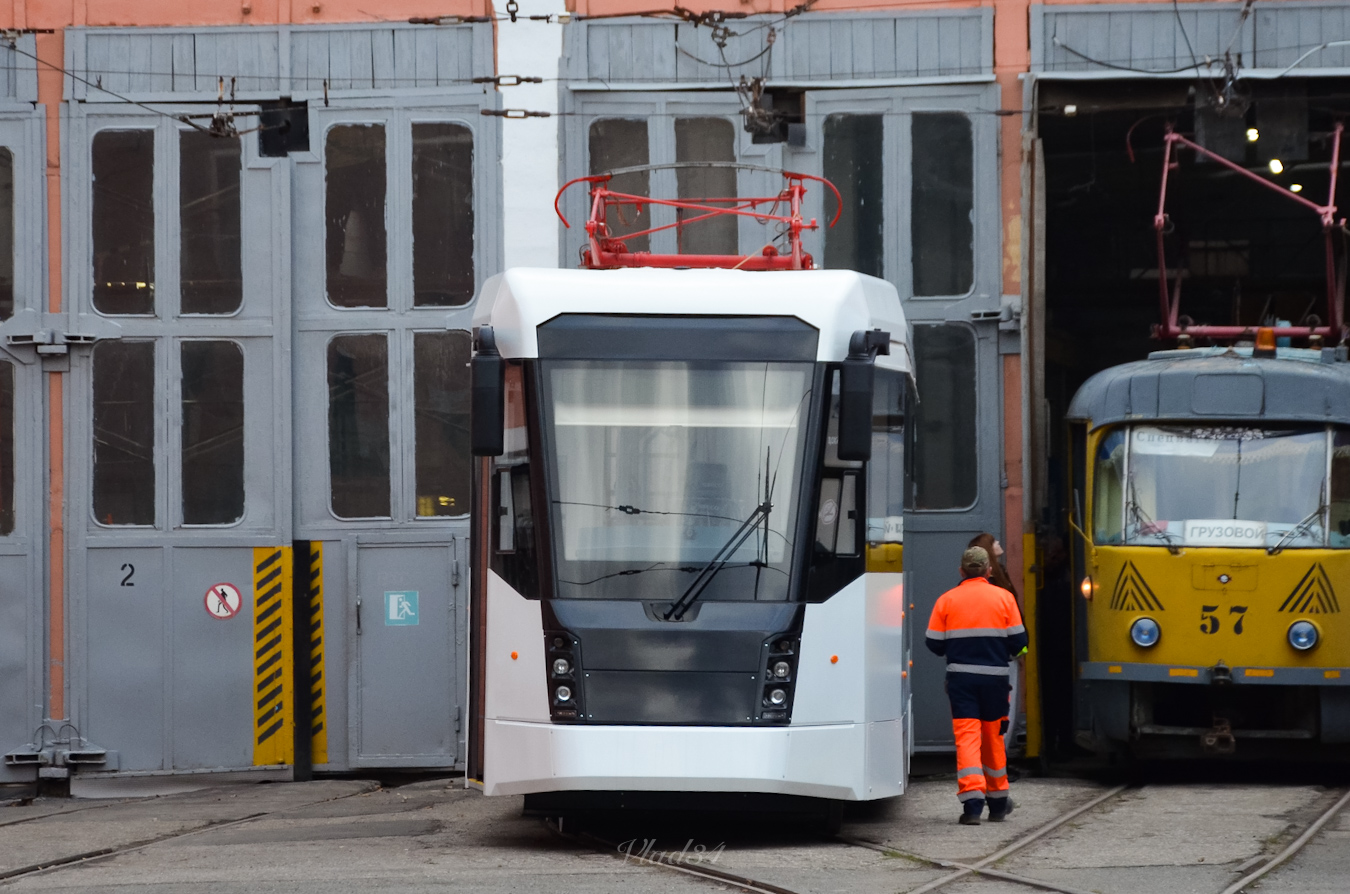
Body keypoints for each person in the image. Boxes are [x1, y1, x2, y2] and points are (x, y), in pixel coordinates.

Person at [926, 546, 1028, 825]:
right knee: (993, 738)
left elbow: (933, 643)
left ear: (961, 572)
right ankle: (997, 804)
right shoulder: (1005, 598)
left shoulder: (946, 600)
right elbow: (1021, 643)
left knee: (967, 737)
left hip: (962, 680)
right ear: (989, 571)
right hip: (996, 680)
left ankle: (972, 805)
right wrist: (1013, 653)